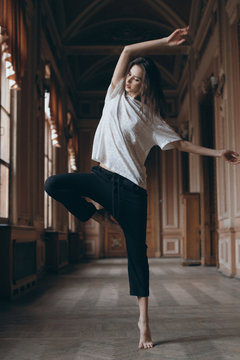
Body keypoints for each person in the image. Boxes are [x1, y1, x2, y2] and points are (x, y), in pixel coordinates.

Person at [44, 27, 240, 350]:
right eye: (130, 76)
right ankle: (95, 214)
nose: (131, 81)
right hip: (102, 180)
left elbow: (182, 144)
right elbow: (125, 50)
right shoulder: (112, 95)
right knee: (53, 183)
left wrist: (218, 153)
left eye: (138, 79)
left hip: (133, 192)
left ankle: (144, 322)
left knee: (138, 257)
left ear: (146, 85)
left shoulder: (151, 118)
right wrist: (165, 42)